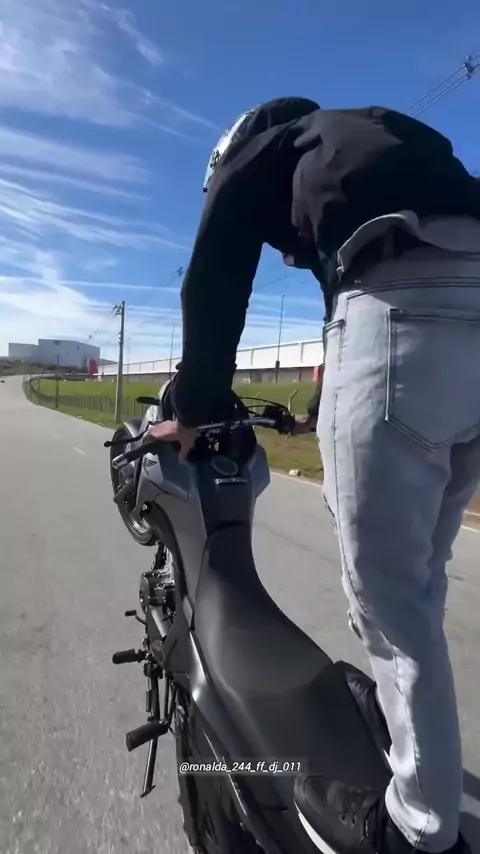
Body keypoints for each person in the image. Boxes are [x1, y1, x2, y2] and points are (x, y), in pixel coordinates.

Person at [148, 98, 480, 853]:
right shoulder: (368, 139)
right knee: (421, 579)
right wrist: (321, 413)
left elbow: (216, 273)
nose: (287, 254)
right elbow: (347, 306)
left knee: (389, 600)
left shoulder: (255, 155)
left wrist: (194, 409)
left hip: (404, 311)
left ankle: (417, 830)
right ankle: (405, 731)